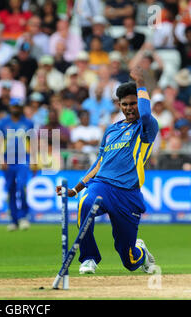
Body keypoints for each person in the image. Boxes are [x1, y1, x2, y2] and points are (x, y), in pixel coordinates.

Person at [56, 66, 158, 275]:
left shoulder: (146, 127)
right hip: (102, 184)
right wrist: (76, 189)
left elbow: (146, 114)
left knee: (129, 260)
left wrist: (141, 84)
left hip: (128, 193)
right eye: (125, 104)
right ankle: (89, 258)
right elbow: (99, 163)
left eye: (133, 104)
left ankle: (141, 250)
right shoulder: (111, 130)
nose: (129, 108)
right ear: (119, 105)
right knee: (85, 204)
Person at [0, 98, 34, 231]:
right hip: (8, 160)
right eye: (13, 106)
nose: (15, 108)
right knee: (11, 189)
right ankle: (14, 220)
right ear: (10, 107)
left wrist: (34, 160)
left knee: (21, 186)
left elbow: (32, 142)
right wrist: (1, 159)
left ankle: (23, 216)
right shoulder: (3, 123)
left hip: (23, 159)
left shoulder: (28, 123)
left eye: (18, 106)